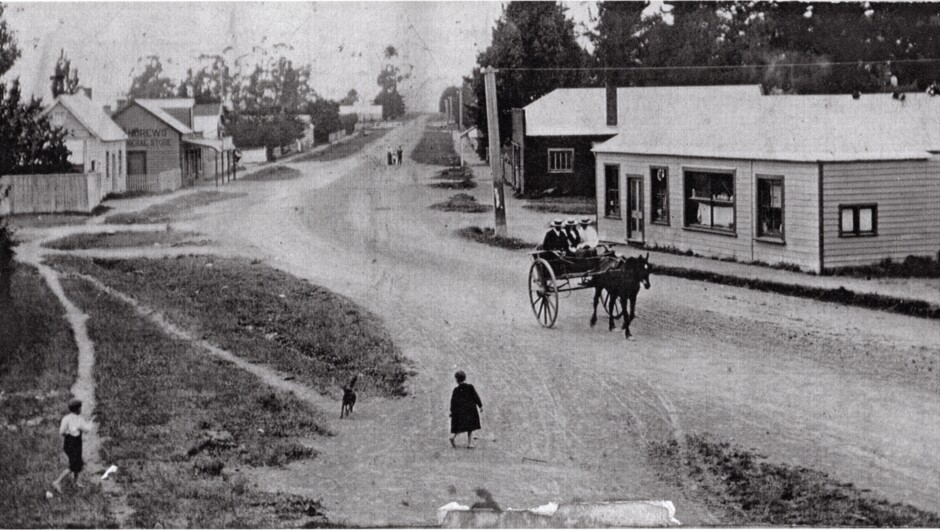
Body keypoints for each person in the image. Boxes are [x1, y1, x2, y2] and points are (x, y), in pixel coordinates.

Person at [52, 398, 93, 493]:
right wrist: (90, 423)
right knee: (73, 465)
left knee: (77, 462)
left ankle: (76, 482)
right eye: (80, 408)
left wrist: (68, 432)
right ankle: (57, 481)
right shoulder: (79, 419)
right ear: (78, 409)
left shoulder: (65, 418)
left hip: (68, 443)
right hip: (76, 444)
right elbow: (87, 430)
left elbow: (61, 431)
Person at [449, 370, 482, 448]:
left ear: (457, 380)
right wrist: (480, 406)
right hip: (470, 410)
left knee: (459, 425)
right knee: (470, 428)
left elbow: (453, 402)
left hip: (461, 411)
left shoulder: (456, 390)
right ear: (465, 378)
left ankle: (453, 438)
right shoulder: (470, 387)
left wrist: (452, 411)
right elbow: (476, 396)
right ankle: (469, 443)